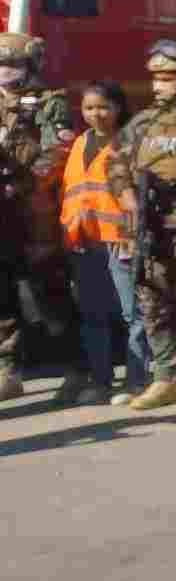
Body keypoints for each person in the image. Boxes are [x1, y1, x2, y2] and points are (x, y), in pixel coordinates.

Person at [118, 41, 176, 412]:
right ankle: (167, 375)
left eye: (168, 78)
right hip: (149, 226)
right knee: (151, 300)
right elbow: (117, 162)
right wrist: (126, 194)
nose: (158, 86)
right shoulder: (143, 122)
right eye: (155, 78)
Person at [56, 82, 140, 407]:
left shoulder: (128, 141)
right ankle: (101, 380)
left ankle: (137, 379)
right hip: (85, 242)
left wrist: (131, 237)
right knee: (94, 315)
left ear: (118, 108)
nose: (96, 114)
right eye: (89, 108)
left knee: (132, 312)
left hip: (119, 240)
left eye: (103, 107)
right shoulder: (80, 143)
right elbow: (71, 192)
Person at [0, 31, 74, 400]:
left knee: (46, 289)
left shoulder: (50, 103)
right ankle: (6, 369)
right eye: (1, 64)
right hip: (2, 210)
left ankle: (79, 369)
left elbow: (57, 152)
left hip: (35, 209)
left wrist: (23, 185)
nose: (5, 72)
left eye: (13, 64)